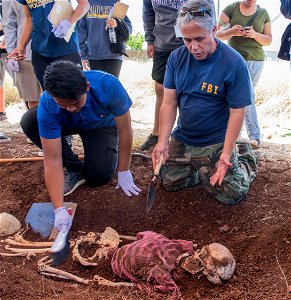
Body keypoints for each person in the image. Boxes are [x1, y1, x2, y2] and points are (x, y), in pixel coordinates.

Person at [152, 0, 257, 205]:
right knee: (170, 182)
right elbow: (169, 102)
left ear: (215, 30)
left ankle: (244, 158)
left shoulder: (234, 63)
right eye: (187, 40)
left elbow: (237, 112)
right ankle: (198, 167)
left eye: (199, 39)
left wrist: (227, 152)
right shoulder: (176, 58)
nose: (193, 47)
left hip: (215, 140)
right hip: (184, 138)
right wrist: (162, 141)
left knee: (231, 193)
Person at [20, 61, 141, 232]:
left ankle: (96, 163)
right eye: (63, 105)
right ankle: (74, 167)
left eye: (76, 103)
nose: (70, 108)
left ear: (87, 87)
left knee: (98, 177)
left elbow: (125, 130)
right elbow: (52, 159)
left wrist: (124, 171)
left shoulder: (108, 84)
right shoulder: (48, 103)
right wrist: (59, 208)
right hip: (65, 124)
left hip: (100, 125)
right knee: (29, 121)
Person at [140, 0, 215, 151]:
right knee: (161, 90)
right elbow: (148, 13)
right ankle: (157, 133)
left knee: (191, 89)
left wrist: (206, 40)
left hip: (188, 44)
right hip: (162, 44)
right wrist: (150, 39)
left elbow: (209, 12)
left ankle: (190, 134)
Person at [215, 0, 272, 149]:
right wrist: (231, 32)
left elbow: (268, 40)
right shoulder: (231, 8)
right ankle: (250, 136)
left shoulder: (263, 13)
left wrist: (254, 34)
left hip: (255, 60)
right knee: (242, 96)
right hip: (234, 59)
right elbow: (215, 32)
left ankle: (245, 136)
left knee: (246, 95)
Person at [7, 0, 89, 89]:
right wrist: (21, 46)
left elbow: (84, 4)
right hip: (39, 51)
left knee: (74, 92)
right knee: (48, 94)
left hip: (66, 48)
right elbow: (29, 18)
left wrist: (69, 22)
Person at [2, 0, 42, 109]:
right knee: (33, 99)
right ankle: (36, 125)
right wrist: (11, 52)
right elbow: (9, 25)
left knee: (58, 96)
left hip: (55, 50)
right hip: (25, 53)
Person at [77, 0, 132, 78]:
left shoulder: (116, 3)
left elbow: (129, 29)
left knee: (111, 87)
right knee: (98, 88)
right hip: (93, 56)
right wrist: (82, 55)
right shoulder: (85, 4)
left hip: (114, 55)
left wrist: (117, 24)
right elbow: (80, 33)